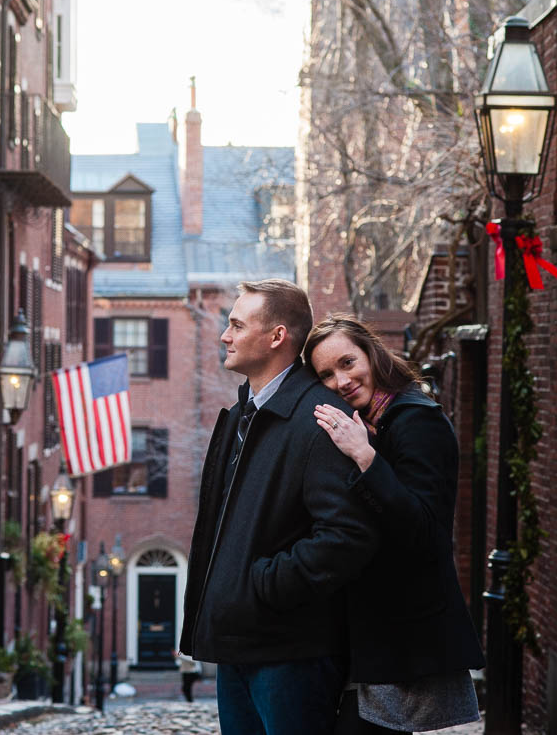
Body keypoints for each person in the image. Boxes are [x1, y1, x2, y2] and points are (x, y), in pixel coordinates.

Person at [180, 279, 381, 735]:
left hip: (292, 654)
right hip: (238, 647)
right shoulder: (241, 415)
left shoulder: (320, 419)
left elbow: (348, 536)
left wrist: (263, 587)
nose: (225, 336)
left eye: (236, 325)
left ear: (276, 337)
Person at [305, 314, 484, 735]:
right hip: (368, 634)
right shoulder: (369, 421)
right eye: (326, 374)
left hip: (403, 634)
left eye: (348, 363)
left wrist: (366, 458)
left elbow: (425, 532)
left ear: (371, 351)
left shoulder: (417, 420)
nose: (341, 380)